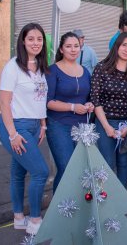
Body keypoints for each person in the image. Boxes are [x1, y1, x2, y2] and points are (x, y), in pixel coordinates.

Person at [0, 23, 49, 235]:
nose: (35, 43)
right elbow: (4, 103)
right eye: (31, 39)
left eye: (39, 39)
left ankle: (19, 218)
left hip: (35, 124)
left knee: (18, 172)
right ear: (23, 41)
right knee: (41, 172)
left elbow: (41, 98)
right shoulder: (13, 66)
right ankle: (35, 221)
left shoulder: (41, 65)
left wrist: (43, 124)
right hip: (16, 125)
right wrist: (13, 134)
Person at [91, 32, 127, 188]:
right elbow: (95, 99)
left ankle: (121, 201)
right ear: (117, 46)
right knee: (106, 163)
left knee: (123, 163)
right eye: (124, 45)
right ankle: (104, 200)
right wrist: (107, 127)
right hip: (104, 121)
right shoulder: (101, 68)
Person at [45, 32, 94, 193]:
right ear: (61, 49)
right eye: (68, 46)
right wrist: (72, 107)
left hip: (81, 127)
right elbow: (49, 102)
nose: (73, 50)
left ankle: (75, 210)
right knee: (66, 168)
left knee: (80, 170)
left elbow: (88, 97)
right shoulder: (53, 71)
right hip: (59, 125)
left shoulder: (85, 71)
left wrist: (89, 104)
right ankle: (59, 211)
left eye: (76, 46)